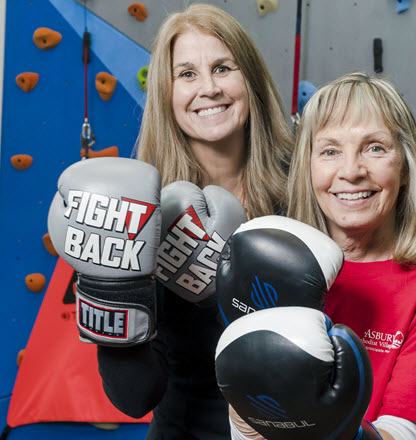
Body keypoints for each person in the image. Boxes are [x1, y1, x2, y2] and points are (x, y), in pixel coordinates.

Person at [95, 4, 293, 439]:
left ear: (251, 80)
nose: (208, 88)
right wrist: (107, 288)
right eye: (187, 74)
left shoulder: (303, 187)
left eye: (223, 68)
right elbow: (135, 396)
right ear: (167, 93)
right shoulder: (145, 212)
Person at [290, 72, 416, 440]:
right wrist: (245, 418)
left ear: (407, 167)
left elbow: (400, 434)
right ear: (308, 168)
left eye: (374, 148)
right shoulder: (280, 277)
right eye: (330, 151)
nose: (351, 171)